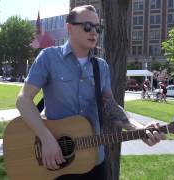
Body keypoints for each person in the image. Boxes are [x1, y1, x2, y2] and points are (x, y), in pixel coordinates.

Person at [16, 5, 163, 180]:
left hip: (94, 162)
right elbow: (23, 100)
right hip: (55, 162)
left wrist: (139, 128)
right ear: (69, 28)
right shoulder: (48, 58)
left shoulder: (101, 66)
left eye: (98, 28)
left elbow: (110, 107)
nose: (93, 32)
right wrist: (46, 139)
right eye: (87, 26)